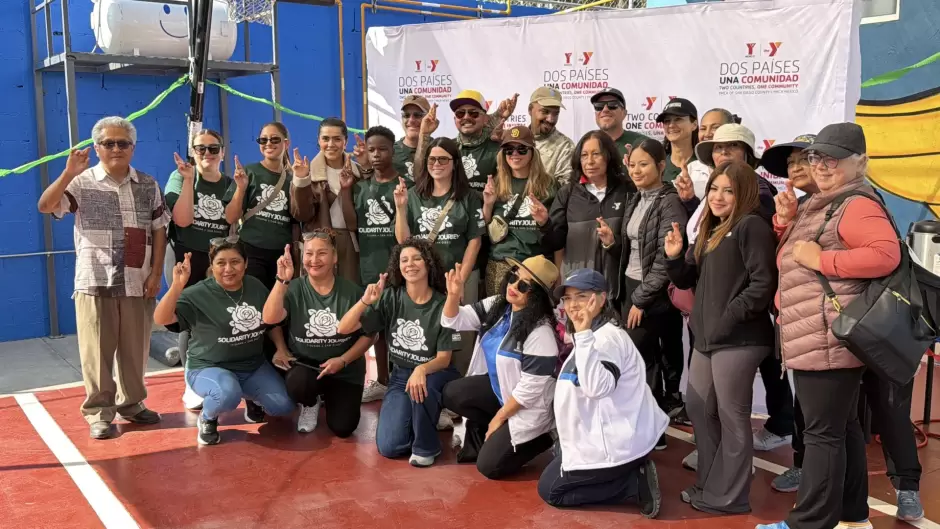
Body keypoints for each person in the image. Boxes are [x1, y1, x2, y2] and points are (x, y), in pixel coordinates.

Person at [758, 123, 907, 529]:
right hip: (817, 334)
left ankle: (807, 524)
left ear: (859, 162)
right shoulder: (823, 201)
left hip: (827, 338)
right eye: (816, 157)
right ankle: (853, 518)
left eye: (832, 159)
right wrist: (783, 225)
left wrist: (822, 261)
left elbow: (885, 255)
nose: (821, 166)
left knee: (823, 436)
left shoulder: (855, 203)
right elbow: (796, 255)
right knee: (841, 430)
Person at [37, 116, 169, 439]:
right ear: (96, 148)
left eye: (122, 143)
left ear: (133, 148)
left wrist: (155, 274)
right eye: (108, 143)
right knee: (96, 353)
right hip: (95, 282)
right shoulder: (82, 183)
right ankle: (99, 413)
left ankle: (133, 405)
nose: (115, 149)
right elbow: (46, 206)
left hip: (138, 282)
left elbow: (159, 230)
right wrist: (69, 172)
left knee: (135, 351)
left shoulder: (149, 185)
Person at [679, 122, 794, 471]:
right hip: (712, 317)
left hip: (735, 325)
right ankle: (713, 468)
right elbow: (699, 259)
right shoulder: (715, 205)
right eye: (716, 148)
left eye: (730, 148)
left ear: (747, 154)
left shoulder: (753, 202)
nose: (721, 153)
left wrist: (727, 316)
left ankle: (728, 486)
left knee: (729, 408)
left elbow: (758, 277)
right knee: (705, 403)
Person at [665, 161, 777, 514]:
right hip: (708, 339)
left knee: (732, 416)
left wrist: (727, 319)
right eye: (714, 188)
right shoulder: (710, 230)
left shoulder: (751, 226)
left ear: (743, 193)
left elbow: (762, 284)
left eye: (728, 190)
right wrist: (672, 258)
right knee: (699, 407)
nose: (718, 196)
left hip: (740, 339)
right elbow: (685, 279)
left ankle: (730, 497)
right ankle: (710, 484)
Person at [537, 269, 665, 517]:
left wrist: (583, 336)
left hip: (615, 446)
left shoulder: (606, 340)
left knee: (551, 490)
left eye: (581, 296)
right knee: (558, 459)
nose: (573, 305)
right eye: (568, 298)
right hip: (604, 437)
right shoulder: (593, 332)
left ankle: (632, 484)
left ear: (602, 298)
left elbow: (598, 388)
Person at [154, 240, 295, 445]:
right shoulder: (197, 294)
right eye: (221, 263)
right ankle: (208, 418)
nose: (228, 269)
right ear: (212, 265)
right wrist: (177, 286)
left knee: (283, 406)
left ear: (246, 264)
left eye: (235, 262)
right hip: (208, 367)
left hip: (252, 366)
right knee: (226, 395)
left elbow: (271, 322)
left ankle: (251, 397)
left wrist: (281, 349)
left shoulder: (255, 286)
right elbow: (162, 319)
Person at [337, 238, 461, 467]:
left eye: (417, 258)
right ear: (398, 266)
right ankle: (421, 419)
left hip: (436, 372)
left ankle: (427, 446)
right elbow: (343, 328)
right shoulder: (391, 297)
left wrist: (422, 369)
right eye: (404, 260)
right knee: (389, 447)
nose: (410, 264)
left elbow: (444, 359)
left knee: (424, 386)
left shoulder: (443, 303)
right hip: (400, 375)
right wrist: (366, 301)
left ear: (428, 263)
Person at [599, 139, 688, 439]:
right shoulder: (636, 198)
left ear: (661, 166)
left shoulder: (670, 201)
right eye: (632, 165)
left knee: (641, 358)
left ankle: (652, 431)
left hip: (652, 295)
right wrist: (612, 242)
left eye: (644, 164)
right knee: (642, 360)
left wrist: (640, 299)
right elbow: (635, 249)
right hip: (629, 286)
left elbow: (666, 259)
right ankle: (649, 426)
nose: (636, 170)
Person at [440, 256, 559, 478]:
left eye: (524, 285)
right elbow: (452, 321)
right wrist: (454, 295)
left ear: (537, 297)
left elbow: (530, 391)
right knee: (452, 393)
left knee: (489, 467)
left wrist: (499, 418)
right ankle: (496, 430)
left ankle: (543, 437)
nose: (513, 286)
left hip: (527, 406)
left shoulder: (541, 333)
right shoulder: (498, 305)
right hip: (501, 390)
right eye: (514, 276)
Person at [262, 230, 374, 436]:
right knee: (299, 384)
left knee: (343, 428)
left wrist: (343, 360)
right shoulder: (293, 288)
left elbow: (370, 335)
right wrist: (281, 280)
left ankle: (332, 395)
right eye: (309, 253)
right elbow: (269, 319)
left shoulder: (353, 292)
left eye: (321, 253)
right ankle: (310, 402)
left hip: (344, 368)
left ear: (335, 257)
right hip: (306, 366)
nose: (314, 260)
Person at [394, 137, 485, 376]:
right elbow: (405, 242)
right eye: (432, 159)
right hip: (425, 279)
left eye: (443, 159)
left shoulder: (469, 197)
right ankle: (428, 387)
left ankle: (458, 391)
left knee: (461, 335)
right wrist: (401, 208)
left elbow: (474, 241)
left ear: (454, 163)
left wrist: (461, 282)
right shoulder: (414, 195)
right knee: (429, 332)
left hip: (460, 275)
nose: (437, 164)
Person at [759, 133, 817, 494]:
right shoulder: (802, 204)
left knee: (820, 410)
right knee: (802, 401)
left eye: (803, 161)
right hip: (793, 318)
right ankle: (801, 464)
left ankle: (817, 477)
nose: (795, 168)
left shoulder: (838, 203)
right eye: (791, 163)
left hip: (822, 323)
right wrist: (783, 223)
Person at [164, 130, 232, 412]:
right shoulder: (180, 176)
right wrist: (190, 180)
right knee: (187, 319)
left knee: (216, 319)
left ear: (222, 152)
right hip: (185, 255)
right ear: (193, 151)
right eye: (201, 149)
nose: (207, 154)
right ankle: (191, 382)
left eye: (213, 148)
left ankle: (213, 374)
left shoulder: (230, 184)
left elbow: (232, 222)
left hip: (217, 259)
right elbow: (182, 218)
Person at [353, 126, 414, 403]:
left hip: (399, 269)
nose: (376, 155)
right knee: (376, 327)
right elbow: (353, 224)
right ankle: (382, 380)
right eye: (371, 149)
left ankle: (402, 378)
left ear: (393, 150)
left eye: (382, 149)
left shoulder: (404, 186)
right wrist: (344, 191)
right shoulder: (361, 186)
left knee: (400, 325)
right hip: (369, 266)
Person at [538, 130, 635, 300]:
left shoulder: (627, 190)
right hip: (578, 291)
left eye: (596, 154)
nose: (589, 161)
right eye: (584, 155)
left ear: (609, 156)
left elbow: (635, 242)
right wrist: (545, 223)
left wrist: (613, 242)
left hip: (617, 292)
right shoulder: (567, 193)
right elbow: (555, 242)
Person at [223, 122, 305, 290]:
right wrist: (240, 187)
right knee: (255, 300)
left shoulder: (293, 178)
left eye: (275, 139)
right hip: (251, 250)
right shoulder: (250, 172)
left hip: (283, 252)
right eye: (263, 140)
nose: (269, 144)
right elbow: (231, 217)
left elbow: (300, 216)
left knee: (279, 305)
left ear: (286, 143)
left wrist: (302, 179)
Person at [482, 125, 556, 296]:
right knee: (498, 319)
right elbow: (484, 230)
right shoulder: (496, 184)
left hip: (533, 267)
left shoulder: (549, 185)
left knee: (528, 320)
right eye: (509, 149)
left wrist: (544, 221)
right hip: (500, 265)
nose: (514, 154)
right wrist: (488, 204)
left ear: (532, 152)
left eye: (521, 149)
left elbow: (557, 236)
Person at [291, 118, 363, 284]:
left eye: (337, 139)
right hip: (319, 243)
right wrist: (301, 181)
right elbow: (301, 214)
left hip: (351, 244)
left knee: (350, 295)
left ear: (345, 142)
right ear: (318, 141)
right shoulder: (306, 171)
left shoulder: (358, 172)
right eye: (325, 139)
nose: (331, 144)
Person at [528, 87, 575, 186]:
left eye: (556, 113)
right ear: (530, 110)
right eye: (545, 112)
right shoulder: (515, 139)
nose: (551, 119)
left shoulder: (565, 146)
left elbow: (565, 188)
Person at [590, 88, 650, 158]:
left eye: (612, 105)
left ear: (624, 113)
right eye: (599, 106)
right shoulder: (587, 145)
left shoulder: (644, 144)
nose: (605, 109)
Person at [657, 98, 699, 182]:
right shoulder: (657, 165)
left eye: (678, 119)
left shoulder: (705, 164)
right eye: (667, 121)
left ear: (694, 125)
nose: (671, 125)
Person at [394, 95, 430, 180]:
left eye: (417, 115)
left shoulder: (438, 148)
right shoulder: (391, 151)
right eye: (406, 115)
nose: (411, 120)